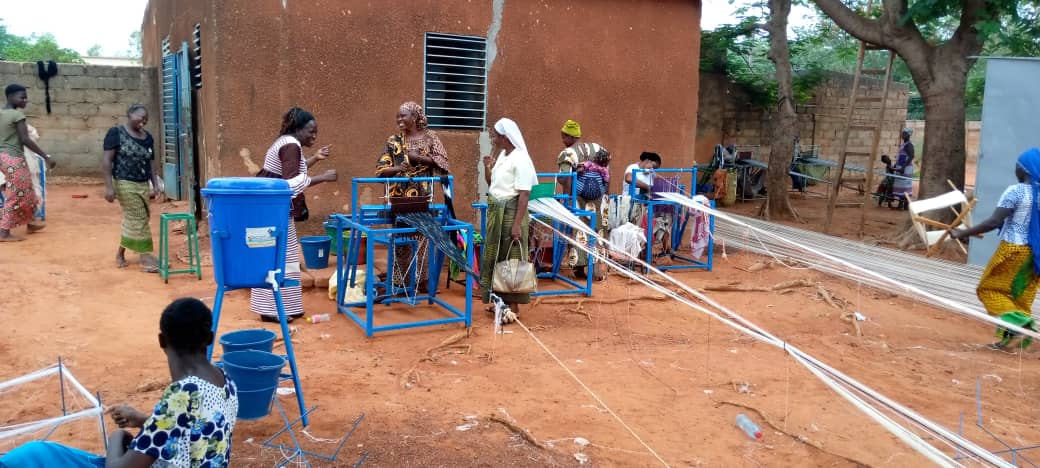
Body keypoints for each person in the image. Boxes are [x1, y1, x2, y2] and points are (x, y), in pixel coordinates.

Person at [0, 297, 238, 468]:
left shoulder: (182, 394)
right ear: (209, 338)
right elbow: (196, 428)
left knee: (32, 456)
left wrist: (118, 436)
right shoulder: (226, 382)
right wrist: (143, 420)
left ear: (161, 340)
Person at [252, 107, 337, 323]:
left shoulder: (287, 142)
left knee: (287, 256)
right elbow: (289, 183)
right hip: (273, 208)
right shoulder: (291, 145)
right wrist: (323, 178)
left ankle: (288, 305)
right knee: (274, 256)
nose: (314, 136)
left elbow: (291, 170)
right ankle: (270, 309)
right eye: (311, 131)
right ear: (298, 129)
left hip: (272, 207)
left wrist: (315, 159)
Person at [952, 148, 1040, 350]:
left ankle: (1019, 324)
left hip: (1013, 250)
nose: (1015, 169)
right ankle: (1010, 342)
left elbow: (994, 221)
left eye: (1017, 165)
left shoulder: (1016, 191)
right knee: (1018, 296)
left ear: (1024, 169)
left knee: (989, 289)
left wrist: (962, 233)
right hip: (1035, 254)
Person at [375, 101, 451, 291]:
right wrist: (398, 168)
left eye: (403, 115)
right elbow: (380, 170)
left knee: (423, 239)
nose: (399, 119)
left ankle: (422, 282)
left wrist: (417, 158)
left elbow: (443, 164)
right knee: (400, 239)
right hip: (399, 198)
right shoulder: (393, 141)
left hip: (423, 198)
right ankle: (401, 281)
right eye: (398, 116)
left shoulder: (431, 137)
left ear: (415, 117)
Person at [481, 117, 538, 323]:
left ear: (505, 137)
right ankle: (500, 303)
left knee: (511, 259)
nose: (494, 139)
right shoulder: (504, 155)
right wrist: (488, 167)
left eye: (496, 136)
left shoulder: (521, 159)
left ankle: (513, 307)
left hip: (512, 213)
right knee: (497, 258)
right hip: (497, 211)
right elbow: (492, 184)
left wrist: (516, 224)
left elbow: (524, 194)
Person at [103, 104, 162, 271]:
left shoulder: (148, 137)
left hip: (142, 184)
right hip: (123, 183)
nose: (143, 121)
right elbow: (107, 161)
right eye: (140, 117)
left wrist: (155, 184)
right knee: (138, 217)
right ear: (129, 114)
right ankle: (145, 258)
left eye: (146, 118)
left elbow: (151, 162)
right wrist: (108, 187)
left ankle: (120, 253)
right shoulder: (116, 134)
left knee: (137, 219)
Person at [0, 84, 56, 242]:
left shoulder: (1, 113)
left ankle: (30, 222)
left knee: (28, 192)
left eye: (26, 97)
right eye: (22, 97)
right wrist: (45, 156)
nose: (25, 100)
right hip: (13, 158)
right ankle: (3, 232)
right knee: (15, 194)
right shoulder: (17, 116)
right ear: (10, 97)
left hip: (3, 158)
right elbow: (25, 139)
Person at [24, 124, 45, 225]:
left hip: (9, 163)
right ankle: (31, 219)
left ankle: (30, 219)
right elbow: (32, 137)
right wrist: (44, 156)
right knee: (34, 191)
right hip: (24, 164)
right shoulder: (24, 129)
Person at [890, 128, 915, 200]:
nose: (903, 135)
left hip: (906, 168)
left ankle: (904, 204)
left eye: (905, 134)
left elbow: (911, 156)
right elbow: (901, 156)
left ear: (909, 135)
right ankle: (901, 204)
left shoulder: (909, 145)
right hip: (900, 167)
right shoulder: (904, 144)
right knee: (900, 185)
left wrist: (903, 167)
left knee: (904, 186)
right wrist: (895, 165)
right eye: (903, 133)